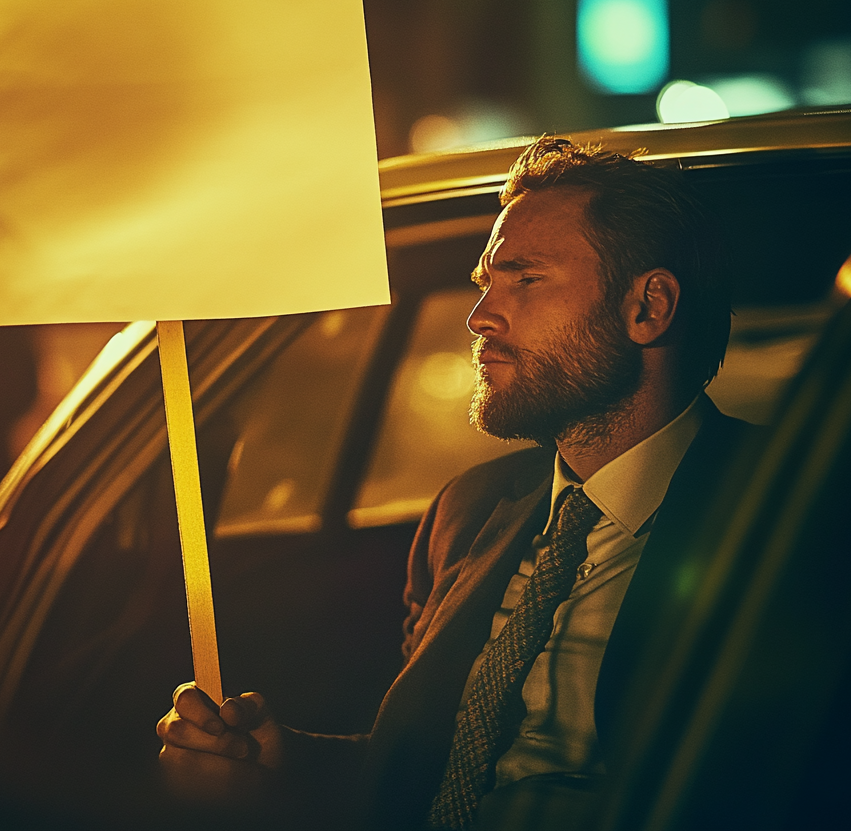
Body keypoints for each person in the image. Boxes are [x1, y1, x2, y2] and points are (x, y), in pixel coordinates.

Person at [156, 136, 750, 830]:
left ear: (648, 308)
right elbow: (423, 772)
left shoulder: (793, 513)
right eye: (484, 283)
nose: (480, 318)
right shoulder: (468, 512)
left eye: (524, 279)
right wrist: (279, 767)